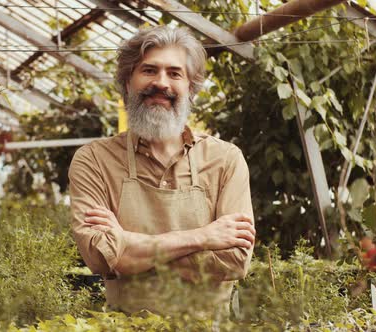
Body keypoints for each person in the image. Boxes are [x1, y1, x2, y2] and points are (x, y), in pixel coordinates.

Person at [68, 25, 255, 316]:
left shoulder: (225, 160)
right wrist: (203, 237)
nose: (161, 83)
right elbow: (101, 259)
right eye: (149, 70)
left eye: (175, 73)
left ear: (191, 88)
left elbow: (235, 260)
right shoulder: (94, 160)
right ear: (128, 82)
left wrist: (129, 249)